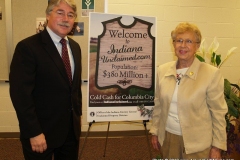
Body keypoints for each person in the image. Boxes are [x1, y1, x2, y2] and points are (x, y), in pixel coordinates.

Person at [9, 0, 82, 159]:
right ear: (48, 15)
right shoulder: (28, 47)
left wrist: (77, 119)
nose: (66, 18)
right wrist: (33, 132)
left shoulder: (75, 48)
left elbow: (74, 89)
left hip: (70, 132)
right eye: (60, 12)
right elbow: (21, 95)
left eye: (70, 15)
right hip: (41, 133)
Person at [149, 22, 228, 159]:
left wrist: (217, 146)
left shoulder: (211, 74)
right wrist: (155, 131)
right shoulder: (163, 70)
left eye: (189, 41)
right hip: (168, 138)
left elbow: (218, 113)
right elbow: (159, 105)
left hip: (198, 144)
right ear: (173, 44)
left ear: (197, 46)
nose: (183, 45)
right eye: (179, 40)